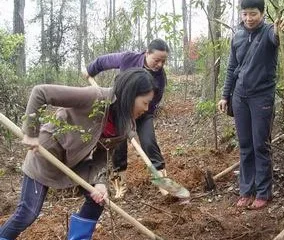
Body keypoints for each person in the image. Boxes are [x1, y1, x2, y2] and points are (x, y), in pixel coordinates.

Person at [0, 68, 155, 240]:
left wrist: (100, 182)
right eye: (145, 102)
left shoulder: (125, 125)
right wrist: (31, 132)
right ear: (131, 95)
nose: (147, 109)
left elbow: (102, 155)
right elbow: (40, 92)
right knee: (28, 213)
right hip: (46, 155)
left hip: (75, 161)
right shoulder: (95, 97)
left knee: (98, 198)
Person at [217, 0, 284, 209]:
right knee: (245, 145)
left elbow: (278, 38)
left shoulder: (268, 32)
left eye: (253, 14)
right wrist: (224, 95)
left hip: (262, 97)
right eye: (245, 14)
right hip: (240, 97)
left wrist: (281, 30)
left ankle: (264, 192)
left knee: (260, 145)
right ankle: (246, 190)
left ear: (263, 13)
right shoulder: (237, 35)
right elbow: (231, 68)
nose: (248, 18)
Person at [83, 39, 169, 197]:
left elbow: (153, 102)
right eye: (157, 60)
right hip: (120, 110)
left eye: (163, 61)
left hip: (144, 113)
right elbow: (105, 61)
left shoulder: (160, 77)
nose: (160, 65)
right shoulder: (128, 59)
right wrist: (90, 70)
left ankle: (163, 181)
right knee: (118, 148)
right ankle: (119, 185)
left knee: (149, 142)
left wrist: (136, 119)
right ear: (146, 53)